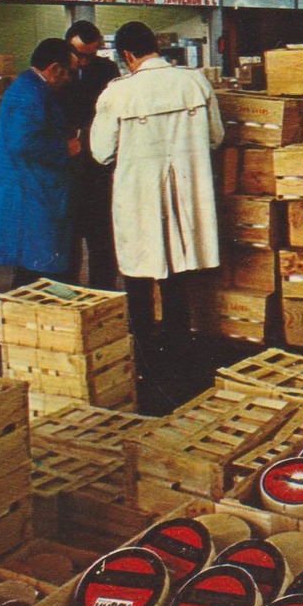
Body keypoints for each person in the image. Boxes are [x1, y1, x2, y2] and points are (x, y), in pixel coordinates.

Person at [90, 22, 224, 407]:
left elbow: (101, 152)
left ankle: (145, 361)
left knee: (139, 275)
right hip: (186, 192)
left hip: (139, 197)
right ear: (157, 47)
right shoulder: (194, 82)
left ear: (127, 56)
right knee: (177, 276)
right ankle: (180, 357)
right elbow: (216, 137)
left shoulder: (118, 93)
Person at [0, 38, 82, 288]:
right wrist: (65, 148)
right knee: (38, 264)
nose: (73, 79)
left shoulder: (34, 90)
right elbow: (23, 142)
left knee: (37, 263)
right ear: (53, 69)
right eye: (71, 72)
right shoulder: (29, 95)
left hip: (37, 187)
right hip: (32, 191)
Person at [61, 19, 122, 290]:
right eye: (79, 55)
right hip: (66, 170)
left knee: (102, 242)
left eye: (91, 55)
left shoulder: (107, 70)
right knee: (67, 242)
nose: (84, 62)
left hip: (98, 169)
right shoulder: (58, 73)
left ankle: (103, 296)